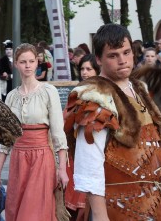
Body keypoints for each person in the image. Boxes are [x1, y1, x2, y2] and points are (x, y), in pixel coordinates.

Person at [64, 24, 161, 220]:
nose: (123, 60)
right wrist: (100, 216)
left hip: (155, 204)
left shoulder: (140, 89)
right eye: (113, 55)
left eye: (126, 52)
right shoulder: (95, 97)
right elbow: (89, 163)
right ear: (99, 59)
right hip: (117, 207)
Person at [0, 43, 68, 221]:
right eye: (23, 61)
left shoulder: (49, 91)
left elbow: (58, 134)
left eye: (31, 61)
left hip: (42, 158)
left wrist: (62, 169)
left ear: (37, 63)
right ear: (16, 64)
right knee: (16, 210)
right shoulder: (11, 96)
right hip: (18, 160)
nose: (28, 65)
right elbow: (5, 140)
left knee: (33, 213)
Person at [65, 54, 100, 220]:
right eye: (82, 69)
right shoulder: (77, 92)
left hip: (96, 149)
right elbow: (65, 117)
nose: (84, 72)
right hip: (76, 148)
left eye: (89, 69)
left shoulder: (104, 92)